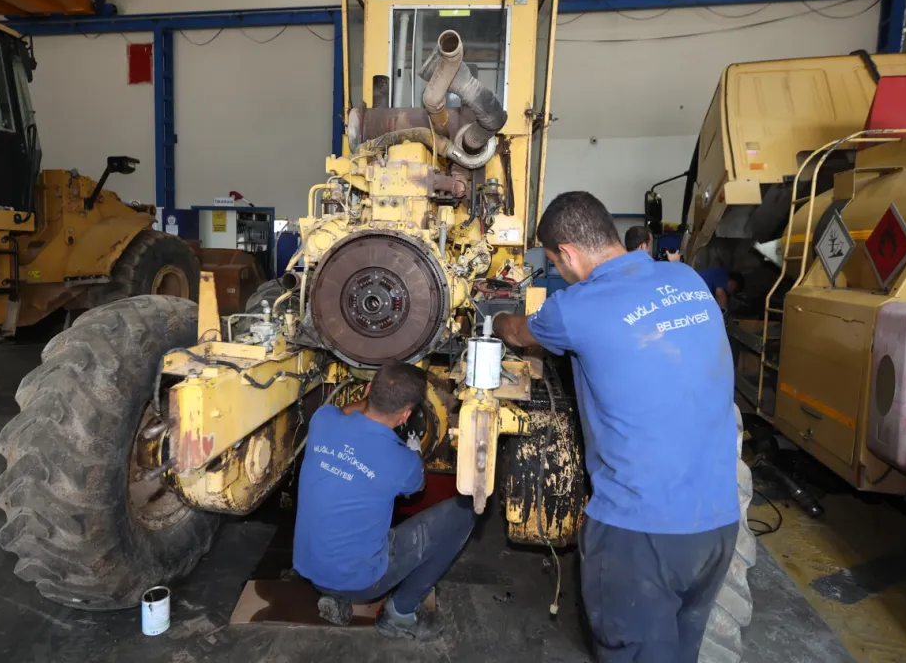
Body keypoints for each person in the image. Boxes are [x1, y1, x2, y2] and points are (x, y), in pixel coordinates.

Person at [493, 191, 739, 662]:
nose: (559, 271)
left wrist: (497, 317)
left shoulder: (575, 307)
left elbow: (519, 333)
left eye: (554, 262)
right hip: (717, 524)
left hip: (640, 535)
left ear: (567, 254)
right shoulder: (686, 279)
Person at [294, 361, 478, 640]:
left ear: (368, 388)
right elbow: (418, 486)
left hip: (310, 572)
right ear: (405, 416)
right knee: (465, 512)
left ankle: (335, 596)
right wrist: (414, 452)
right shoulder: (403, 462)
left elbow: (346, 411)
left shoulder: (323, 419)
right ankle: (401, 614)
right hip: (363, 584)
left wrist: (371, 404)